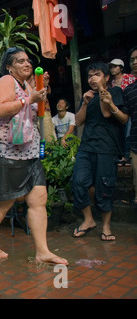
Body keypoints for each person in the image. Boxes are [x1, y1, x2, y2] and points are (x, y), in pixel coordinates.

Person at [0, 46, 67, 265]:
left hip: (29, 151)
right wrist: (29, 99)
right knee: (4, 203)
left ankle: (43, 251)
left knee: (39, 200)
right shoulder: (5, 82)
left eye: (28, 60)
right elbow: (0, 109)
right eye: (20, 61)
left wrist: (40, 91)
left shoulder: (26, 85)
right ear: (9, 67)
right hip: (6, 154)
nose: (27, 64)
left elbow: (34, 110)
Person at [72, 62, 128, 241]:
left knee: (104, 187)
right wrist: (85, 103)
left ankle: (106, 227)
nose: (92, 78)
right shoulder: (87, 96)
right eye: (89, 76)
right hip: (87, 147)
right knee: (78, 182)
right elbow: (79, 121)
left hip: (107, 148)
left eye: (96, 74)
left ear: (106, 77)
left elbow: (110, 115)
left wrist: (106, 96)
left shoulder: (116, 92)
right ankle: (88, 220)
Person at [122, 46, 137, 206]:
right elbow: (125, 118)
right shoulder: (129, 90)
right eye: (132, 59)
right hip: (136, 144)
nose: (135, 62)